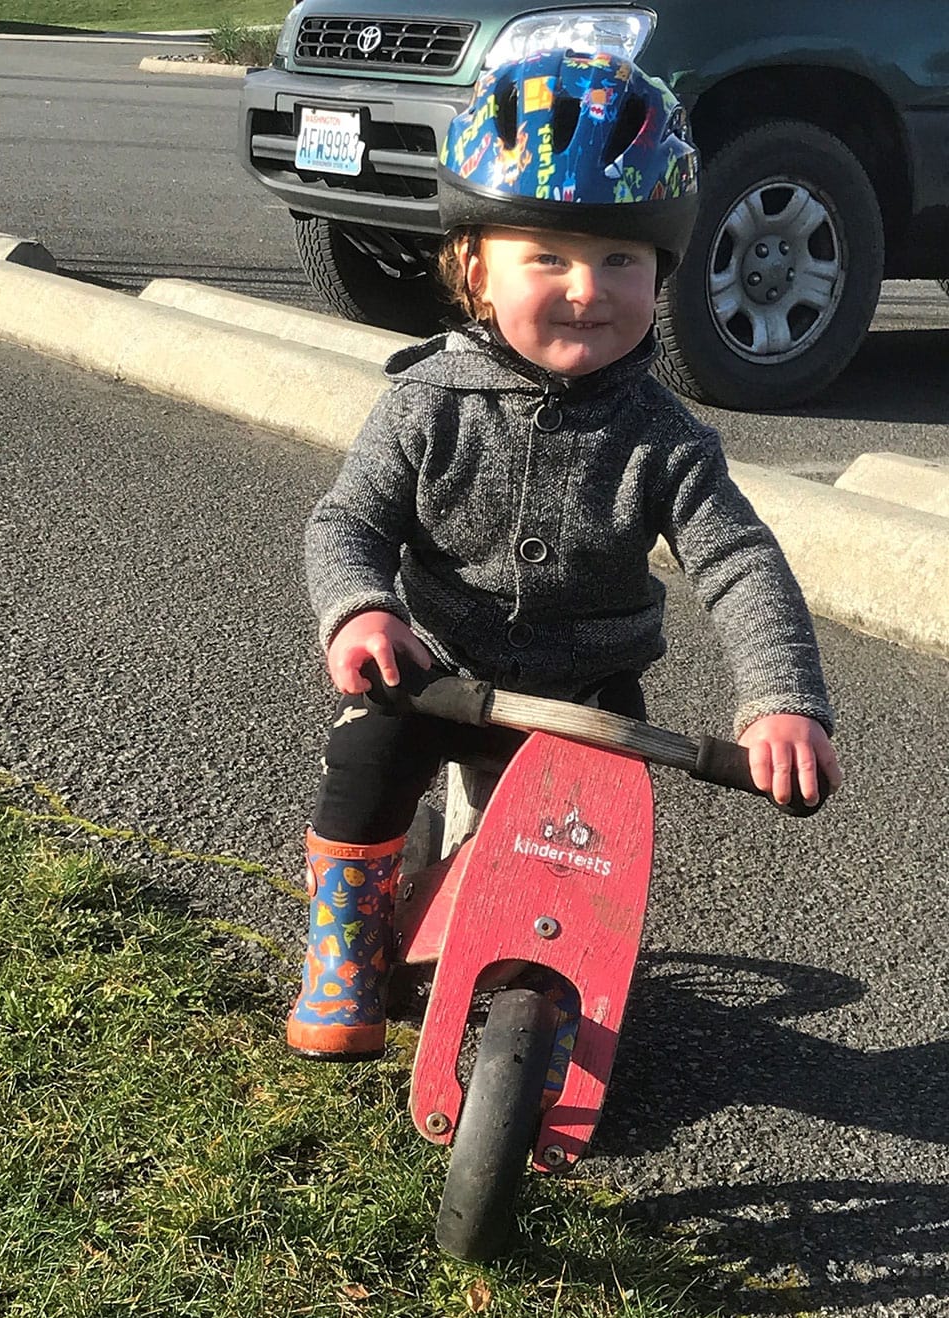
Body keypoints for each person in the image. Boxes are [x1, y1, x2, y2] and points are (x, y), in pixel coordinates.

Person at [287, 51, 843, 1061]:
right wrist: (362, 609)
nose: (588, 288)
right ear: (474, 269)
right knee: (365, 757)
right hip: (435, 675)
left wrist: (781, 700)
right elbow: (347, 525)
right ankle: (343, 946)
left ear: (663, 273)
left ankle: (536, 973)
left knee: (571, 853)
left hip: (585, 698)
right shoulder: (424, 406)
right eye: (547, 256)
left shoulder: (665, 438)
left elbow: (738, 561)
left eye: (622, 259)